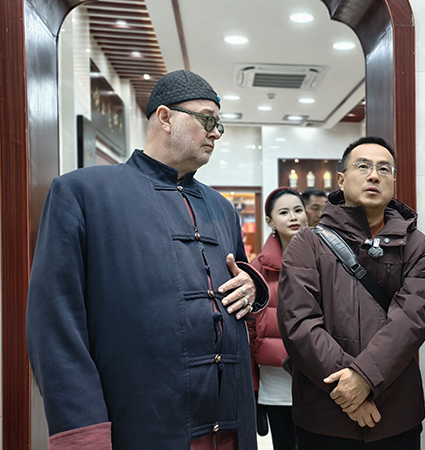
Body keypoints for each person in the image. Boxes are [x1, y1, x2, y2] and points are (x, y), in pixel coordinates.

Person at [26, 70, 269, 450]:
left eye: (219, 124)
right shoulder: (84, 193)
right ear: (165, 117)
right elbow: (56, 324)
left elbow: (236, 277)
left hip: (230, 425)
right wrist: (83, 435)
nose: (216, 133)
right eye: (207, 120)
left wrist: (252, 285)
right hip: (142, 424)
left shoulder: (222, 208)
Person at [278, 136, 425, 449]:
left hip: (395, 412)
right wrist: (349, 390)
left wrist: (364, 378)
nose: (374, 175)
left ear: (394, 180)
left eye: (384, 169)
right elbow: (299, 323)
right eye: (363, 166)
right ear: (341, 179)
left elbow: (412, 320)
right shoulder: (307, 243)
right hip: (325, 414)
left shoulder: (417, 245)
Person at [247, 187, 307, 450]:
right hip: (276, 381)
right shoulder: (258, 268)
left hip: (317, 377)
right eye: (284, 212)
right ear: (270, 221)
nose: (293, 217)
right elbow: (249, 331)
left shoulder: (324, 259)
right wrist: (252, 387)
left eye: (298, 210)